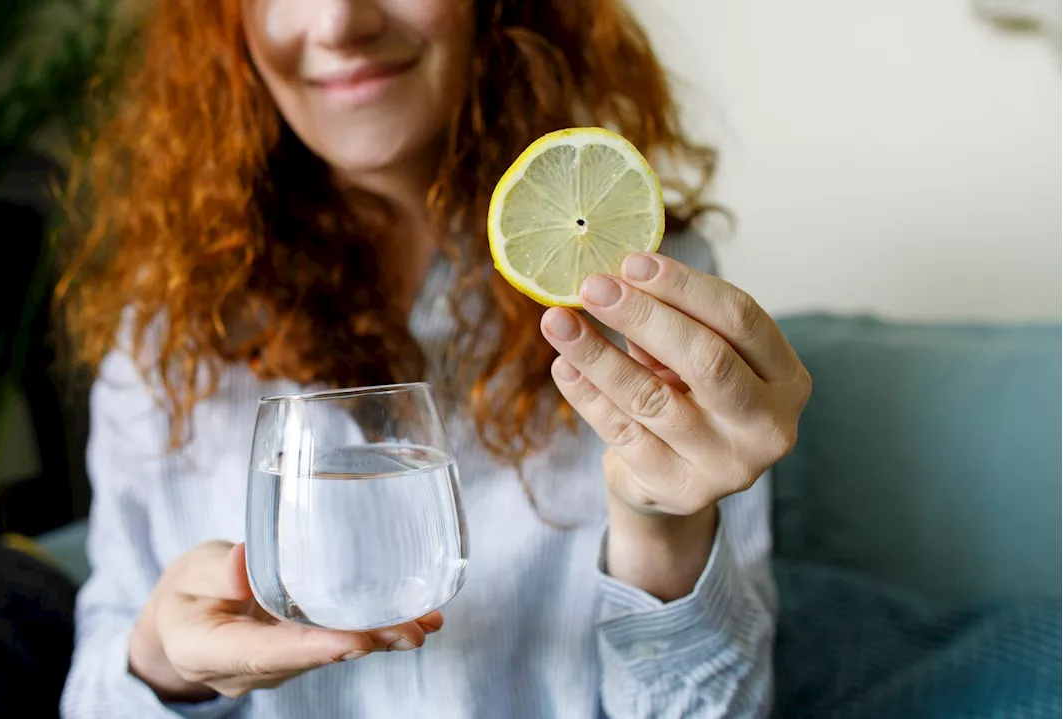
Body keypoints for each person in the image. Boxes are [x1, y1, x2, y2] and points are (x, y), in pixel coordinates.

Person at [56, 0, 811, 717]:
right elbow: (93, 690)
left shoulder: (647, 282)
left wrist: (662, 526)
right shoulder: (170, 321)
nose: (341, 22)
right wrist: (161, 657)